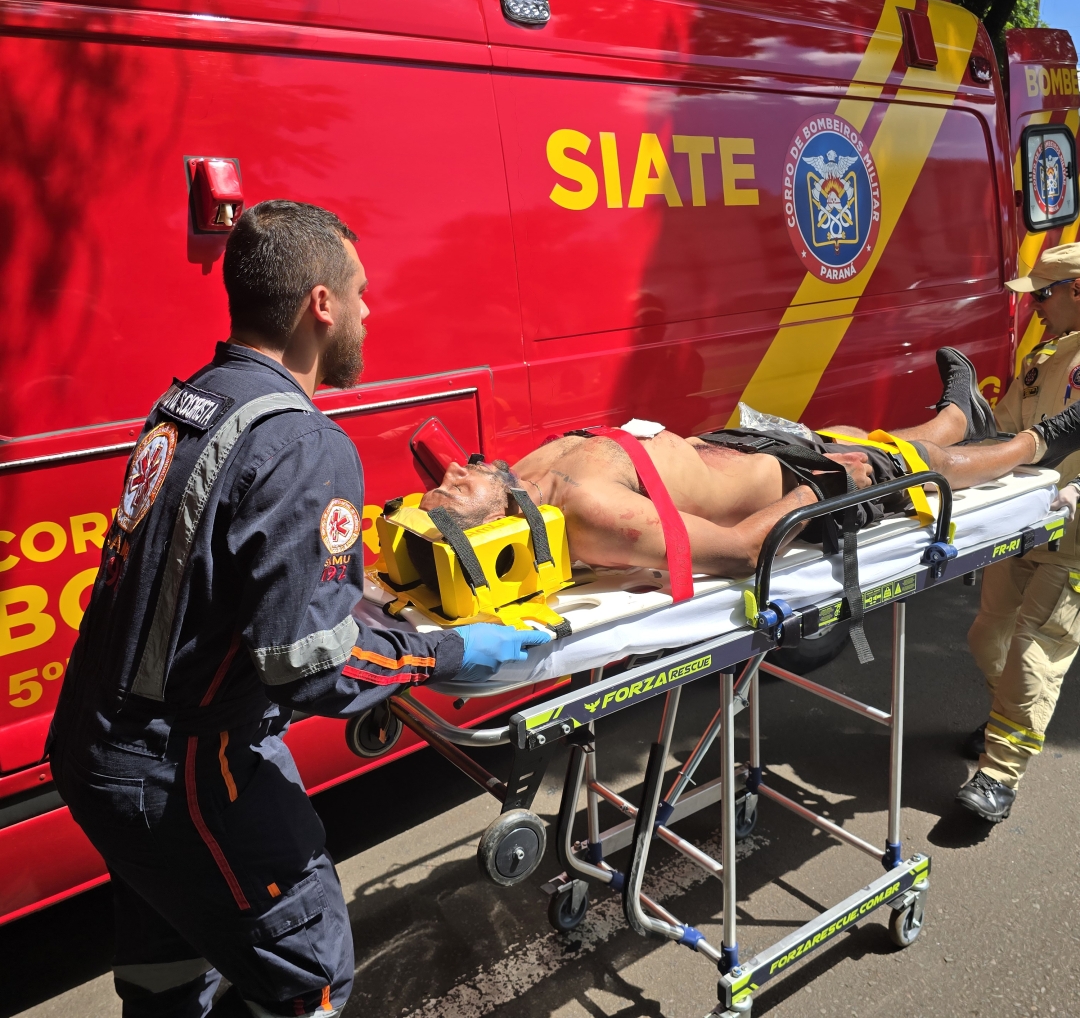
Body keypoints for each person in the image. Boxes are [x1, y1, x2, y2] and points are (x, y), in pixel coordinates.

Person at [46, 200, 546, 1018]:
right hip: (182, 772)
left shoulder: (193, 400)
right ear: (322, 305)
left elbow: (217, 587)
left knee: (171, 962)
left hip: (97, 747)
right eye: (362, 292)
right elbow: (308, 664)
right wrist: (447, 654)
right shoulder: (304, 443)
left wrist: (358, 598)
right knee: (306, 969)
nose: (369, 310)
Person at [419, 348, 1080, 580]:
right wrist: (823, 493)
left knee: (850, 430)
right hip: (793, 484)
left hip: (740, 450)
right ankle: (1040, 443)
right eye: (454, 497)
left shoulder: (527, 472)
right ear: (492, 528)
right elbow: (737, 551)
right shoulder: (591, 513)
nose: (452, 477)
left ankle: (961, 414)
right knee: (897, 461)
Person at [955, 242, 1080, 823]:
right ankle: (1006, 718)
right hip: (1024, 524)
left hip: (1072, 538)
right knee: (989, 637)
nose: (1036, 308)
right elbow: (1008, 430)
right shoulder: (1050, 352)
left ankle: (999, 773)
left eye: (1044, 295)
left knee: (1036, 653)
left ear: (1076, 290)